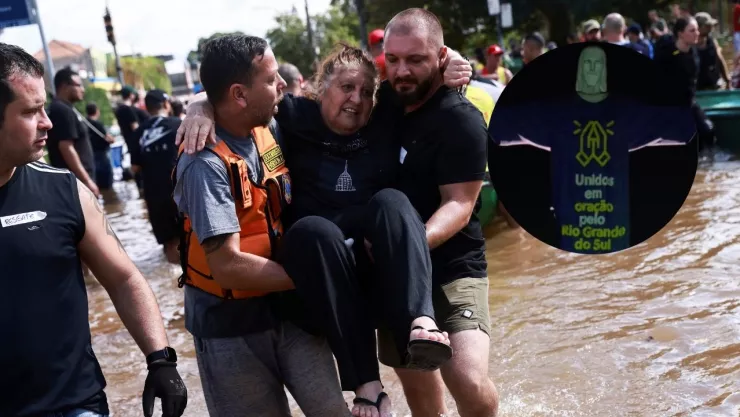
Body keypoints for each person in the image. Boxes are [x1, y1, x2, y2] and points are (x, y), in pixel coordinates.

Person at [176, 36, 475, 417]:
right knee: (314, 230)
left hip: (363, 269)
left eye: (366, 91)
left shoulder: (381, 116)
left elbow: (422, 79)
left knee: (394, 201)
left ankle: (421, 322)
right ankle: (368, 383)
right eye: (346, 87)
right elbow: (227, 96)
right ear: (320, 91)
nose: (357, 98)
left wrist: (455, 64)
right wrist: (198, 106)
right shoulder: (290, 120)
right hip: (300, 277)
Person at [0, 42, 187, 417]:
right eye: (31, 111)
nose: (47, 122)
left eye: (45, 108)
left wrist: (161, 360)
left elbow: (123, 279)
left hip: (75, 404)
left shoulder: (66, 192)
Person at [380, 8, 499, 417]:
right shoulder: (380, 105)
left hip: (454, 264)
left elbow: (460, 204)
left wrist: (406, 249)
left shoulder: (460, 119)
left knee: (465, 378)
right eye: (393, 60)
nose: (402, 71)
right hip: (391, 271)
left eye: (416, 59)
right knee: (421, 395)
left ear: (441, 57)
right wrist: (202, 101)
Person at [134, 89, 181, 264]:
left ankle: (178, 284)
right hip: (180, 191)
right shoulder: (178, 124)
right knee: (193, 237)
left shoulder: (139, 132)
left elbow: (135, 167)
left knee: (169, 243)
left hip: (154, 196)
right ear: (166, 104)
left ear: (147, 108)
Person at [654, 16, 715, 151]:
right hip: (668, 106)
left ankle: (708, 165)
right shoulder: (666, 53)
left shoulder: (694, 53)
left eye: (697, 30)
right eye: (692, 30)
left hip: (688, 103)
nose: (697, 34)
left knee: (708, 130)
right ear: (681, 34)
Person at [46, 67, 97, 196]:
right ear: (64, 86)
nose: (82, 89)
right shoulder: (62, 110)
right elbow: (66, 147)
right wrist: (87, 181)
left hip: (75, 181)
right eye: (78, 85)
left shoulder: (65, 108)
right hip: (76, 183)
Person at [114, 85, 144, 188]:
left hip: (129, 142)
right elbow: (135, 128)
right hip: (138, 144)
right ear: (131, 95)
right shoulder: (128, 109)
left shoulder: (119, 110)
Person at [695, 12, 732, 90]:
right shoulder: (689, 44)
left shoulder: (711, 41)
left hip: (713, 85)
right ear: (698, 27)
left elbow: (720, 59)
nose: (711, 28)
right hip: (696, 87)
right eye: (708, 26)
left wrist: (727, 80)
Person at [85, 102, 115, 191]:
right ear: (97, 111)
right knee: (107, 183)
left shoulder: (85, 123)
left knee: (97, 182)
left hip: (90, 157)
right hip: (102, 156)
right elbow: (109, 139)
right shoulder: (98, 124)